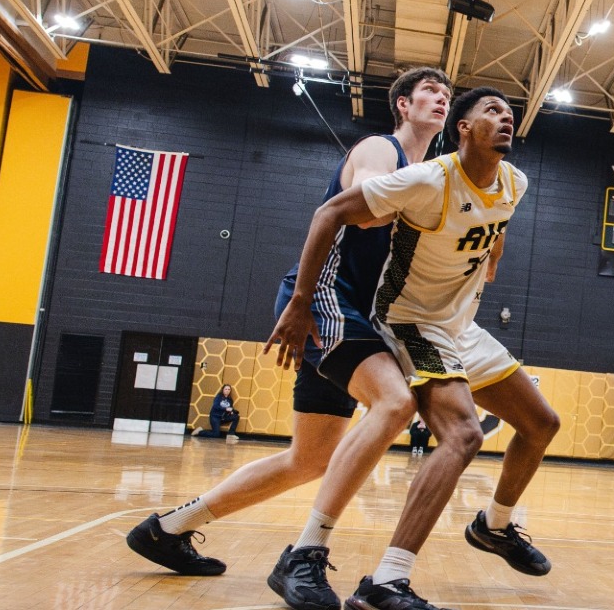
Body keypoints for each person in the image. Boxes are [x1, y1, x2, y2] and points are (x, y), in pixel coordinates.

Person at [125, 68, 453, 603]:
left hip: (365, 318)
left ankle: (166, 529)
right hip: (328, 300)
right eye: (431, 93)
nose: (441, 100)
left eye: (447, 95)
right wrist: (302, 302)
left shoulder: (431, 172)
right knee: (394, 404)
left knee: (309, 460)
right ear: (402, 104)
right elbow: (365, 201)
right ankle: (305, 554)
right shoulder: (383, 148)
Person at [269, 87, 555, 610]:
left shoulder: (516, 181)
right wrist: (301, 301)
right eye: (491, 110)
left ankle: (493, 526)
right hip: (413, 322)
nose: (506, 117)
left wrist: (491, 260)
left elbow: (499, 221)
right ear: (463, 128)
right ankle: (387, 580)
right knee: (464, 435)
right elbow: (328, 213)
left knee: (541, 424)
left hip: (461, 326)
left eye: (510, 112)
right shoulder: (428, 178)